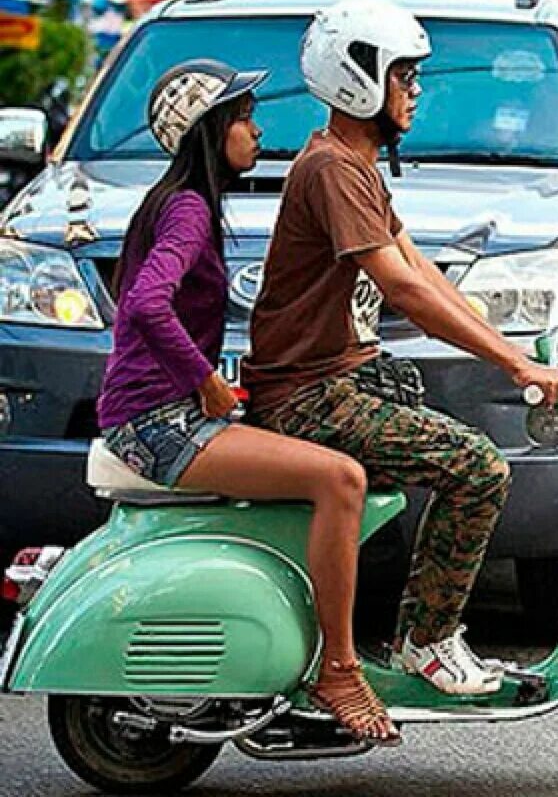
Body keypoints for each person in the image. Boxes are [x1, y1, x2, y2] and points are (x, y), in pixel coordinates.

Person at [242, 0, 558, 696]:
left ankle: (426, 634)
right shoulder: (332, 169)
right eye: (405, 77)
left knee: (464, 448)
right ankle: (428, 642)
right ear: (359, 76)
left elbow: (424, 272)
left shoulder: (355, 165)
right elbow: (403, 290)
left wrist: (512, 345)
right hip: (307, 396)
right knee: (478, 467)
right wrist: (512, 364)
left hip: (341, 382)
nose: (415, 92)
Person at [96, 60, 400, 744]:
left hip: (156, 413)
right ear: (210, 129)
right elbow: (145, 302)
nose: (258, 130)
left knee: (337, 468)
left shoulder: (179, 203)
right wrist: (202, 378)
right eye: (244, 117)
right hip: (158, 425)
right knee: (340, 478)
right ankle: (340, 669)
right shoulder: (188, 207)